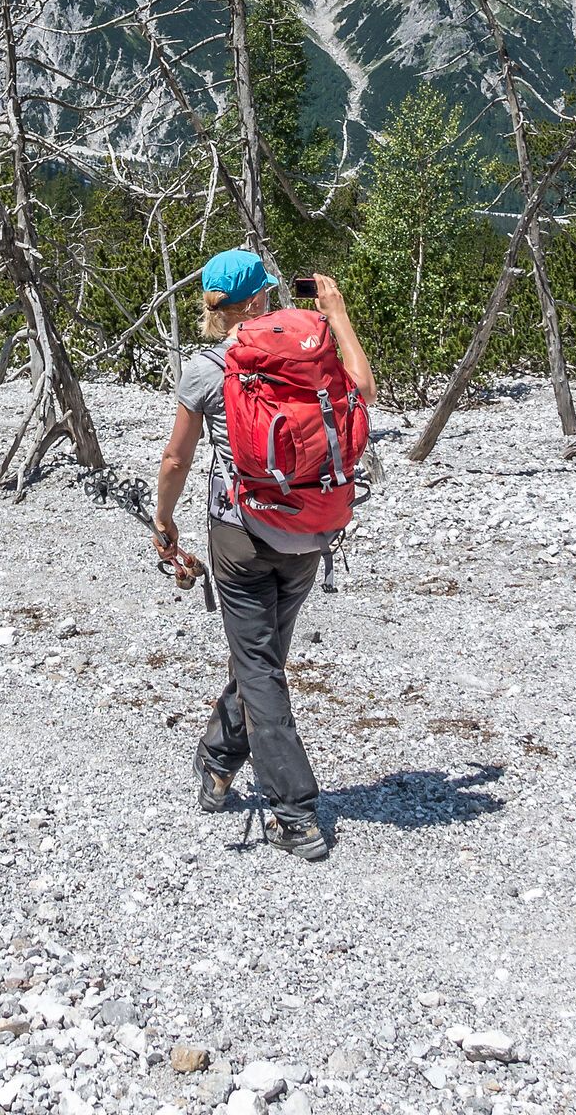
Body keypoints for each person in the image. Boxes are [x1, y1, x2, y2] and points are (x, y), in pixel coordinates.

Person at [151, 247, 373, 862]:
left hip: (241, 533)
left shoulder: (205, 368)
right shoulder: (315, 349)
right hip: (310, 527)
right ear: (263, 295)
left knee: (259, 665)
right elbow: (364, 391)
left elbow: (177, 458)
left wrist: (163, 518)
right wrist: (337, 312)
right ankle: (220, 758)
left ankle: (292, 809)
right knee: (264, 658)